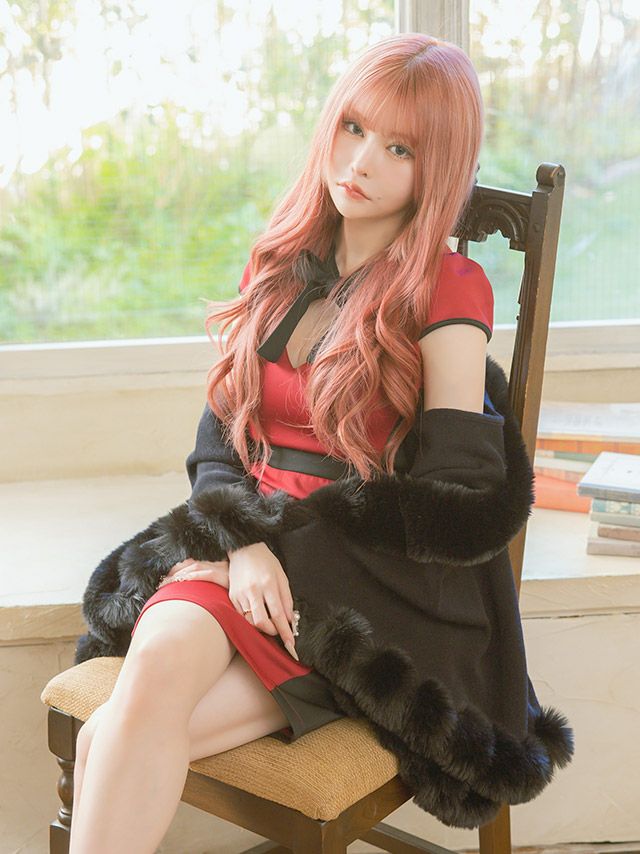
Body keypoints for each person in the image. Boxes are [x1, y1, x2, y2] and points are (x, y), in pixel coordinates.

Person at [69, 32, 574, 850]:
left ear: (436, 168)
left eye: (400, 148)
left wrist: (280, 553)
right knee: (149, 679)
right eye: (353, 128)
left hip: (365, 589)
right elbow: (220, 440)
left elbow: (461, 494)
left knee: (111, 734)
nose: (362, 161)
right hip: (249, 563)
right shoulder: (282, 261)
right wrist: (240, 545)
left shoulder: (448, 288)